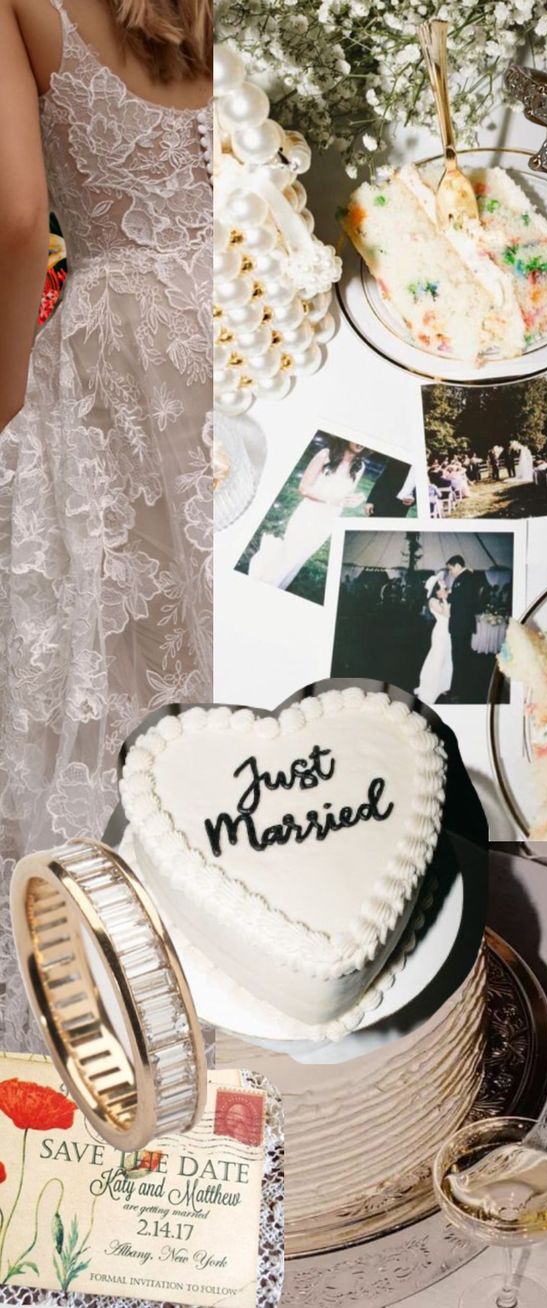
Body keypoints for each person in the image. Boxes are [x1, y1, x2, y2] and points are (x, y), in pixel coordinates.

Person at [0, 0, 212, 856]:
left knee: (132, 658)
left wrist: (6, 398)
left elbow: (19, 221)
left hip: (123, 348)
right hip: (241, 289)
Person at [249, 438, 366, 589]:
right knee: (289, 554)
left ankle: (278, 587)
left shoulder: (360, 466)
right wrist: (333, 500)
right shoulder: (325, 454)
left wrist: (356, 499)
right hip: (309, 514)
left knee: (300, 558)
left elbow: (347, 495)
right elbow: (304, 488)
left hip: (329, 520)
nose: (360, 442)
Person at [414, 575, 452, 704]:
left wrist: (446, 596)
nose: (445, 590)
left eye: (445, 588)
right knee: (437, 658)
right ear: (436, 590)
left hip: (447, 632)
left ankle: (443, 684)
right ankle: (432, 686)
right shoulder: (432, 601)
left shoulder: (439, 599)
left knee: (446, 657)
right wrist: (446, 599)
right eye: (442, 588)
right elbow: (446, 614)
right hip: (440, 632)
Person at [446, 554, 479, 700]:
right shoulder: (465, 578)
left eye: (451, 569)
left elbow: (463, 600)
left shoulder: (467, 578)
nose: (450, 572)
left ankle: (458, 691)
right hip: (461, 624)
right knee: (459, 657)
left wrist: (447, 596)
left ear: (458, 565)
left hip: (461, 625)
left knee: (459, 658)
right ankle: (457, 688)